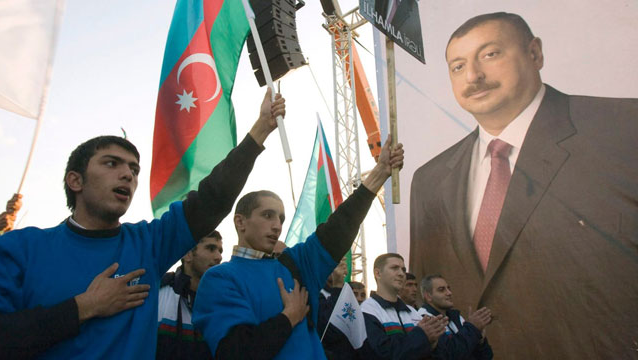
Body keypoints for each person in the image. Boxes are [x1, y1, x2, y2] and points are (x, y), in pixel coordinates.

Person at [409, 12, 638, 359]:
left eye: (490, 54)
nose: (473, 76)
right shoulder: (429, 181)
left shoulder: (622, 128)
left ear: (535, 54)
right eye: (458, 66)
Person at [0, 89, 285, 358]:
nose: (128, 175)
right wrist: (84, 307)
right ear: (75, 180)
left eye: (134, 169)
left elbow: (212, 200)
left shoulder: (150, 244)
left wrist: (260, 130)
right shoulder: (19, 248)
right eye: (112, 164)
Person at [193, 137, 405, 359]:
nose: (277, 225)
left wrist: (379, 174)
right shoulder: (219, 279)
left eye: (281, 218)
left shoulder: (295, 264)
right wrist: (289, 317)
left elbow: (338, 228)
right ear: (240, 222)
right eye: (267, 215)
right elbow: (235, 352)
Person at [361, 253, 448, 360]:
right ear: (378, 273)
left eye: (403, 269)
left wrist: (433, 344)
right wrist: (422, 336)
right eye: (394, 268)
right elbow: (382, 353)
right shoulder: (367, 310)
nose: (401, 274)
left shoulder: (412, 312)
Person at [156, 230, 224, 359]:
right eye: (211, 248)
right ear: (187, 254)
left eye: (220, 251)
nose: (218, 257)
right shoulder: (159, 293)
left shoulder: (223, 301)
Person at [418, 275, 493, 360]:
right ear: (428, 296)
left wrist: (481, 342)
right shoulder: (424, 320)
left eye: (448, 288)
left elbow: (485, 356)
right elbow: (451, 354)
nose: (449, 293)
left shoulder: (456, 317)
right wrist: (473, 328)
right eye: (441, 290)